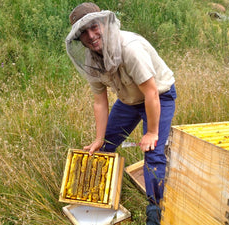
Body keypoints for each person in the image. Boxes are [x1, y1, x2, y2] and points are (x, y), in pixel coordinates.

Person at [66, 2, 176, 224]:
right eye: (84, 33)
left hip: (158, 97)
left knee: (153, 154)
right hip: (129, 100)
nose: (91, 35)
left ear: (104, 24)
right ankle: (99, 196)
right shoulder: (91, 58)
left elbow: (152, 93)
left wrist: (152, 133)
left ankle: (156, 211)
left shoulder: (130, 48)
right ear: (79, 39)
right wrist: (99, 139)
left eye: (94, 27)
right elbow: (100, 101)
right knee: (105, 144)